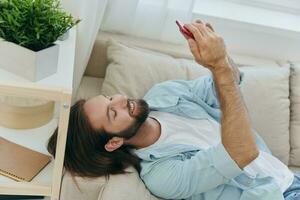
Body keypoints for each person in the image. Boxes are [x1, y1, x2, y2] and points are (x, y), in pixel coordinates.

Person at [47, 20, 300, 200]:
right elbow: (242, 151)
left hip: (290, 177)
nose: (122, 100)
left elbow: (228, 83)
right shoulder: (162, 175)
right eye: (113, 113)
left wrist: (218, 59)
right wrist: (219, 66)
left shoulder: (164, 95)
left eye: (111, 97)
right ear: (113, 142)